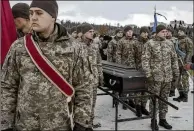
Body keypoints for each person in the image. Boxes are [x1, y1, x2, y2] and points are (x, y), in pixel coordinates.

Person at [1, 0, 94, 131]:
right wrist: (5, 124)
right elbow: (7, 86)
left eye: (39, 13)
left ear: (53, 17)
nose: (33, 17)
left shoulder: (74, 48)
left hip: (60, 124)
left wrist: (82, 123)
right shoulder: (18, 47)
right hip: (25, 125)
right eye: (31, 13)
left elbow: (85, 87)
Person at [142, 25, 179, 130]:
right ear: (157, 32)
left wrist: (176, 73)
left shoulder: (169, 43)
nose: (165, 33)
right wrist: (148, 74)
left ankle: (163, 119)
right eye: (163, 31)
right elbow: (145, 60)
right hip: (155, 78)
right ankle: (153, 120)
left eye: (166, 31)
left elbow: (174, 59)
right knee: (154, 100)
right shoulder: (150, 44)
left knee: (164, 99)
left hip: (167, 77)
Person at [78, 23, 103, 128]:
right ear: (84, 33)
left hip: (94, 80)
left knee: (92, 103)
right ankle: (82, 125)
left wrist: (100, 75)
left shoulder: (94, 46)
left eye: (93, 31)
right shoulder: (76, 46)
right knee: (81, 106)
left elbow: (98, 62)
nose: (92, 33)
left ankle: (90, 124)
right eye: (90, 31)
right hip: (81, 82)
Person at [173, 27, 193, 102]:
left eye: (181, 31)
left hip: (185, 63)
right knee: (177, 80)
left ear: (184, 32)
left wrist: (186, 62)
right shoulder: (176, 40)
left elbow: (190, 52)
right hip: (177, 63)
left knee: (185, 80)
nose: (179, 32)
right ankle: (181, 94)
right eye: (178, 31)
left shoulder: (188, 40)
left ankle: (185, 96)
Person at [133, 26, 150, 117]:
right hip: (138, 69)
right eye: (144, 32)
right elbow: (132, 57)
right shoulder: (135, 43)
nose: (146, 34)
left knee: (146, 89)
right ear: (140, 33)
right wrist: (133, 68)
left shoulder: (150, 43)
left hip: (147, 69)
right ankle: (138, 107)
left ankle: (143, 106)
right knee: (138, 89)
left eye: (147, 32)